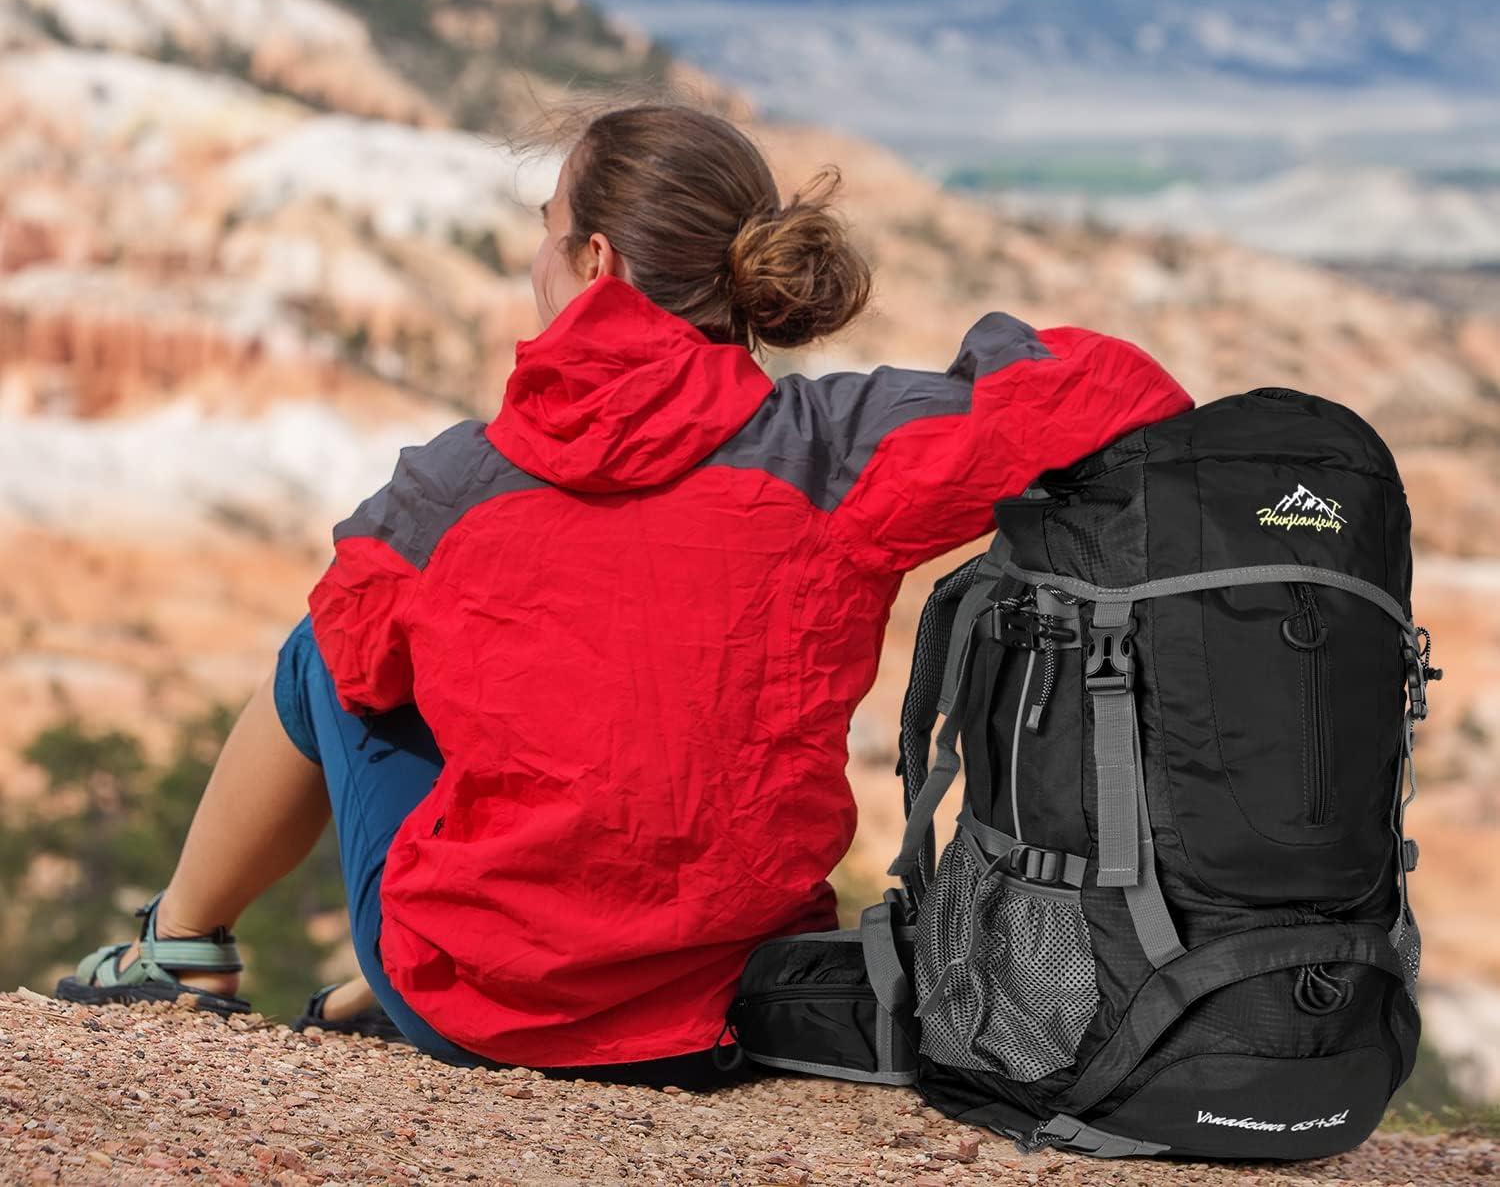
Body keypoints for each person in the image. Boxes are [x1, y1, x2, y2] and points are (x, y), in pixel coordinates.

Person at [58, 104, 1194, 1089]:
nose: (536, 261)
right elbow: (1121, 393)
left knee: (320, 649)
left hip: (482, 1011)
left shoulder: (450, 490)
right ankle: (417, 965)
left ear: (594, 263)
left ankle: (180, 945)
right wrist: (987, 356)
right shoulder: (837, 452)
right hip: (736, 1003)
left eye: (546, 233)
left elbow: (363, 671)